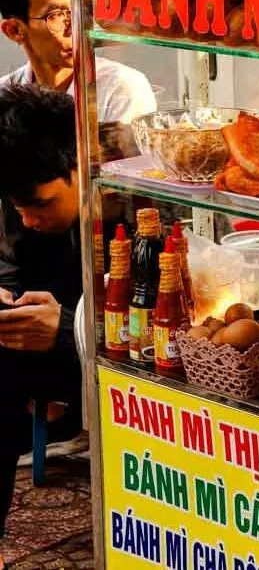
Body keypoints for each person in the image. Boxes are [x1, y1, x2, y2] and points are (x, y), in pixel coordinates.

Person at [0, 85, 84, 567]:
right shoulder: (21, 201)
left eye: (41, 204)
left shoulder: (130, 199)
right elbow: (6, 264)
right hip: (36, 346)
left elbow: (150, 326)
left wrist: (67, 329)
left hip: (117, 354)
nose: (29, 219)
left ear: (77, 167)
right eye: (17, 207)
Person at [0, 0, 157, 123]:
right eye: (56, 15)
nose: (77, 24)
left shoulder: (121, 91)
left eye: (79, 6)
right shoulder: (4, 99)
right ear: (14, 30)